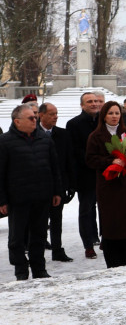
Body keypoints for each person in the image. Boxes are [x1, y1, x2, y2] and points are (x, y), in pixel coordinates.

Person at [1, 105, 61, 280]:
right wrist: (2, 200)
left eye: (35, 117)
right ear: (17, 121)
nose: (35, 120)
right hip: (18, 199)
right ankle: (21, 270)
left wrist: (57, 191)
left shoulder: (44, 139)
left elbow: (54, 168)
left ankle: (39, 268)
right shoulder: (4, 142)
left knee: (39, 235)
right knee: (17, 238)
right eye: (31, 118)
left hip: (42, 197)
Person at [84, 101, 126, 268]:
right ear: (104, 116)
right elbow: (90, 159)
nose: (114, 116)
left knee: (125, 224)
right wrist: (111, 161)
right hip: (108, 185)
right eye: (110, 113)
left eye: (117, 113)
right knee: (111, 223)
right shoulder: (95, 136)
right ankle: (112, 261)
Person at [66, 92, 104, 259]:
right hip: (86, 174)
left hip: (105, 173)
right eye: (90, 101)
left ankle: (106, 239)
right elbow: (73, 151)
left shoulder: (104, 121)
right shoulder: (74, 124)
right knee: (86, 211)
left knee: (105, 208)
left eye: (96, 101)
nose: (94, 104)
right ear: (82, 105)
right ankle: (88, 245)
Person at [38, 103, 75, 262]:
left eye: (57, 113)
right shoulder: (33, 134)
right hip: (38, 186)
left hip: (58, 185)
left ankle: (57, 250)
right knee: (39, 221)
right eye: (52, 114)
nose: (56, 117)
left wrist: (71, 185)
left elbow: (69, 160)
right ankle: (37, 252)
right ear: (41, 115)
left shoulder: (63, 134)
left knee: (56, 220)